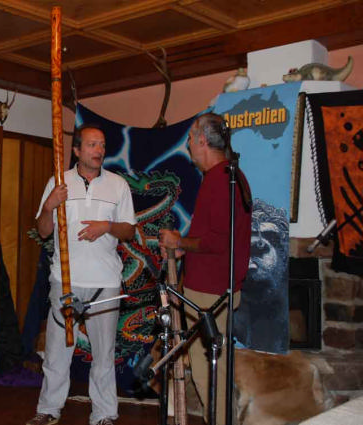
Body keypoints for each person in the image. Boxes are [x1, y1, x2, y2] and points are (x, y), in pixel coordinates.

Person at [26, 125, 136, 425]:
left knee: (104, 354)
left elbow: (129, 230)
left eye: (102, 145)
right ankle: (49, 409)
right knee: (57, 352)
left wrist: (107, 227)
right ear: (76, 150)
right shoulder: (58, 183)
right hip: (65, 280)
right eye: (91, 145)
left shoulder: (117, 185)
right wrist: (49, 206)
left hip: (105, 283)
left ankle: (104, 414)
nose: (99, 150)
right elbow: (43, 231)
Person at [158, 113, 252, 425]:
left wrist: (178, 240)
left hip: (209, 293)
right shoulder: (226, 176)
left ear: (202, 141)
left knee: (210, 372)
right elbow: (217, 236)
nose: (187, 145)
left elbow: (218, 240)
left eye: (189, 139)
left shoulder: (221, 179)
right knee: (213, 370)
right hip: (214, 287)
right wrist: (186, 246)